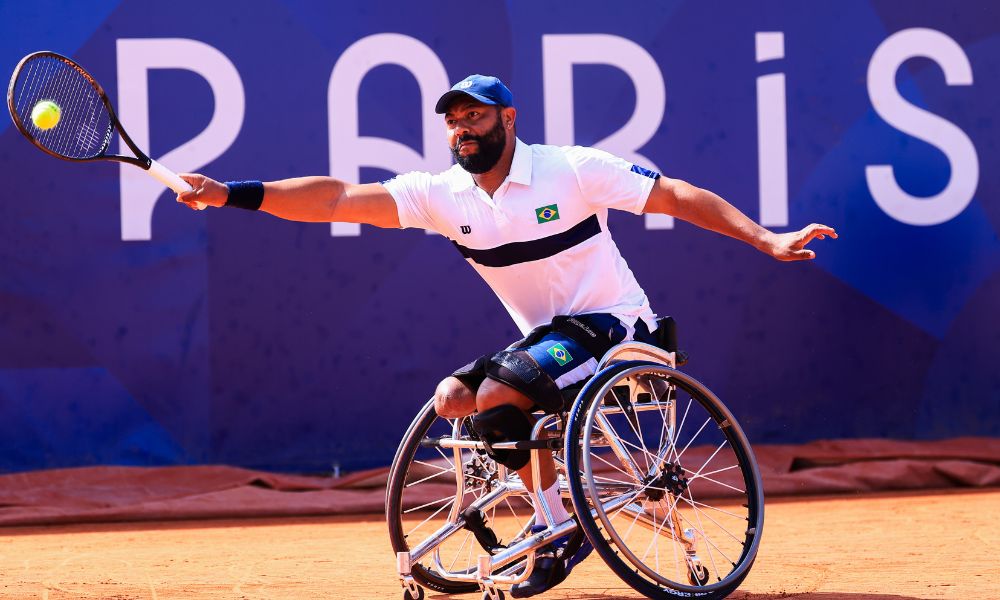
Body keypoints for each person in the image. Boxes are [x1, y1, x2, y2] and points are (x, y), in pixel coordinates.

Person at [177, 74, 836, 597]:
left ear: (508, 119)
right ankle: (558, 512)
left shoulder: (570, 169)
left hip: (616, 330)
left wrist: (765, 238)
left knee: (497, 393)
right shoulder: (441, 194)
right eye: (455, 119)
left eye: (477, 116)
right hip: (549, 338)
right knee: (454, 400)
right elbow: (336, 200)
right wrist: (230, 194)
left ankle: (557, 526)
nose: (464, 128)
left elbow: (677, 196)